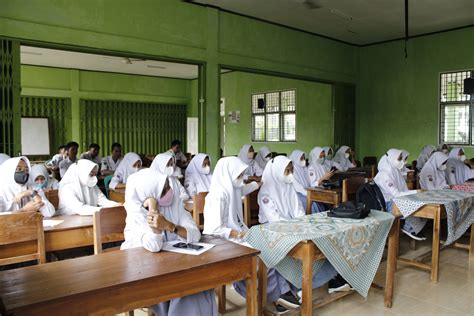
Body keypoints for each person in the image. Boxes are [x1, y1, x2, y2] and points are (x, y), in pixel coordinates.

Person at [202, 157, 294, 312]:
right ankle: (274, 296)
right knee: (262, 256)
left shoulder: (232, 188)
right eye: (238, 175)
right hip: (221, 241)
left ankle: (279, 294)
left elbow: (246, 188)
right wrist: (239, 233)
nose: (241, 179)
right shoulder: (217, 196)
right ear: (228, 174)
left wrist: (260, 183)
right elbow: (214, 230)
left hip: (236, 236)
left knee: (272, 250)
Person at [121, 168, 217, 316]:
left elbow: (194, 233)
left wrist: (170, 226)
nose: (169, 190)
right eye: (164, 189)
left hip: (174, 265)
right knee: (183, 289)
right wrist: (153, 208)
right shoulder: (136, 214)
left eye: (167, 186)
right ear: (150, 194)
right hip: (146, 272)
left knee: (200, 283)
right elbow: (154, 246)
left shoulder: (175, 204)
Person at [258, 156, 347, 295]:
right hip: (272, 229)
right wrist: (296, 227)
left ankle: (333, 278)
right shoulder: (265, 192)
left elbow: (298, 210)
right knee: (302, 247)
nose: (290, 175)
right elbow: (274, 220)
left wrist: (303, 225)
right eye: (286, 171)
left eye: (291, 171)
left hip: (292, 225)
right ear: (277, 172)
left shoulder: (288, 186)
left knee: (321, 239)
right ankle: (298, 286)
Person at [374, 149, 426, 240]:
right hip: (388, 204)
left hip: (396, 200)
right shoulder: (384, 174)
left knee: (423, 204)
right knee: (417, 205)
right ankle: (408, 227)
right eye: (399, 159)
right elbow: (396, 194)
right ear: (391, 159)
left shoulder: (394, 170)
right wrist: (416, 191)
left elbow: (402, 190)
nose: (401, 161)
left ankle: (412, 227)